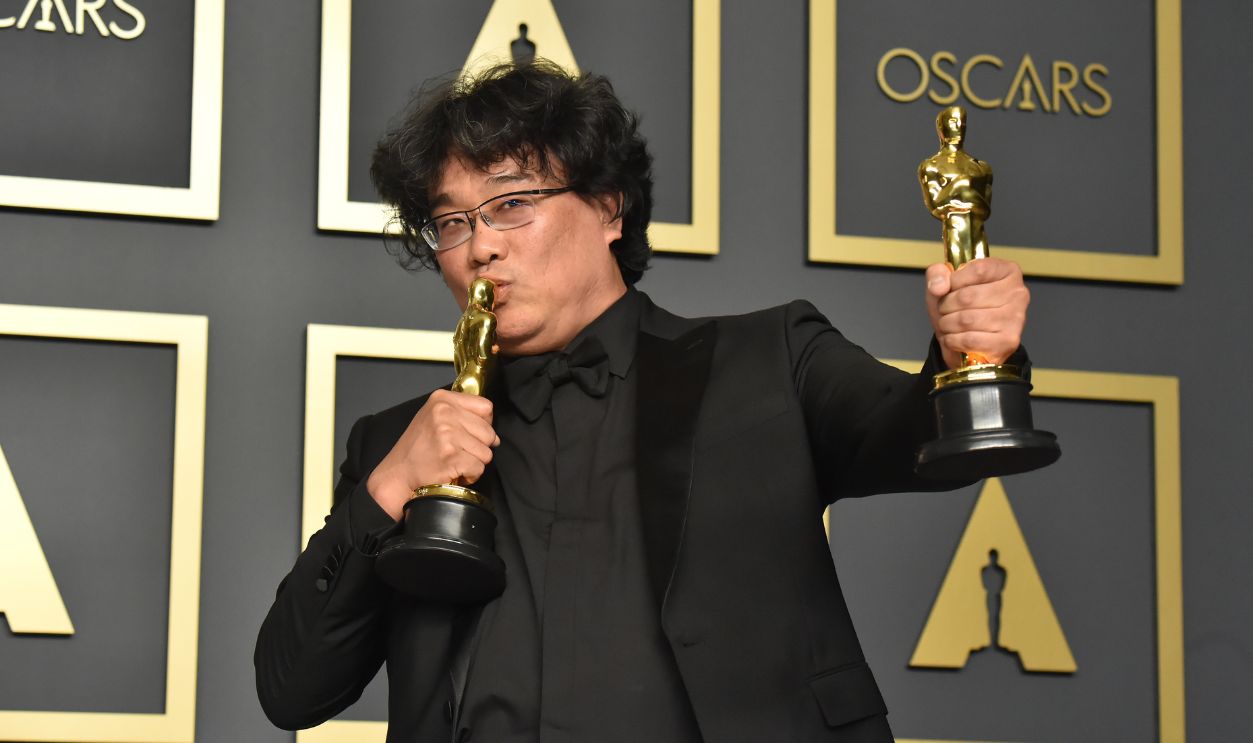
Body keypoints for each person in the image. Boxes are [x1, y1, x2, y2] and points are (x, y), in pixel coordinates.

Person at [255, 61, 1031, 742]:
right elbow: (292, 688)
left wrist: (971, 354)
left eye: (511, 202)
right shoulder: (392, 443)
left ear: (609, 207)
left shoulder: (769, 360)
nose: (479, 246)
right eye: (451, 221)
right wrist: (388, 488)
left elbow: (920, 436)